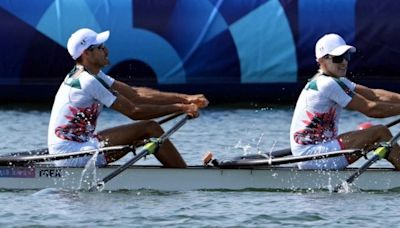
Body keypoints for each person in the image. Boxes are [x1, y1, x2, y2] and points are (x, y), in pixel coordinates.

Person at [48, 28, 209, 168]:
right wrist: (181, 108)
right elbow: (134, 111)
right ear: (87, 53)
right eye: (100, 47)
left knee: (142, 133)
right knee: (150, 129)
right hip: (71, 156)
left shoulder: (88, 73)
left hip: (79, 144)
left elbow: (135, 94)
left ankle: (182, 174)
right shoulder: (88, 81)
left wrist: (186, 99)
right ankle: (186, 179)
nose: (106, 51)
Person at [290, 33, 400, 170]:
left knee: (378, 134)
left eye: (346, 56)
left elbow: (374, 95)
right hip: (311, 157)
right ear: (321, 60)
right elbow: (371, 109)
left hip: (318, 151)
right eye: (338, 58)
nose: (344, 62)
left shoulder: (333, 80)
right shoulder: (327, 84)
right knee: (380, 132)